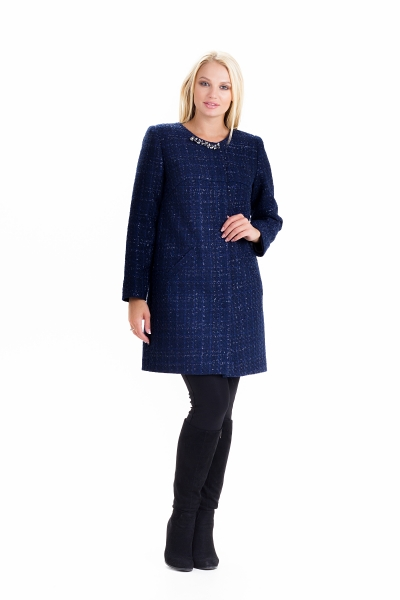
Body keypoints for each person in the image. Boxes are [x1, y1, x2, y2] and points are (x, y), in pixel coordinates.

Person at [122, 51, 283, 571]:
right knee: (210, 408)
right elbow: (142, 220)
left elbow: (270, 214)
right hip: (180, 292)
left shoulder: (251, 148)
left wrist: (257, 230)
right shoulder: (162, 140)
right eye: (206, 84)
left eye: (224, 86)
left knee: (223, 415)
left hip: (237, 292)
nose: (214, 94)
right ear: (192, 87)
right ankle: (182, 521)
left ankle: (204, 526)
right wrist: (136, 294)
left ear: (235, 94)